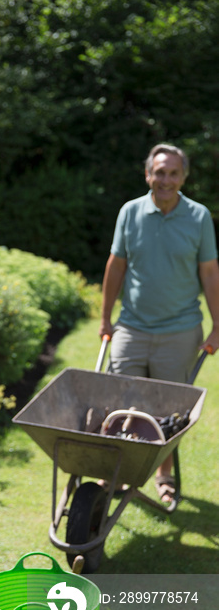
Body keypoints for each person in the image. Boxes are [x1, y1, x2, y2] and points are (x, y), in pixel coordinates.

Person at [99, 143, 219, 502]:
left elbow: (210, 272)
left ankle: (163, 477)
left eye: (173, 173)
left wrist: (217, 324)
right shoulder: (130, 212)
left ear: (183, 177)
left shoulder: (198, 218)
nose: (165, 180)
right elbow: (116, 265)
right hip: (132, 327)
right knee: (119, 399)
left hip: (180, 330)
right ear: (148, 174)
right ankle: (117, 471)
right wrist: (106, 318)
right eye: (159, 172)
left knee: (170, 409)